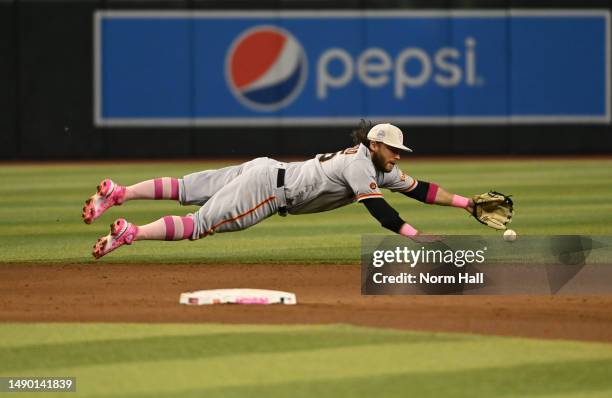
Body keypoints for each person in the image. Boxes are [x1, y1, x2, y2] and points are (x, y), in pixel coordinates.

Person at [83, 120, 477, 259]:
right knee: (200, 223)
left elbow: (421, 190)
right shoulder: (361, 166)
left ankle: (119, 193)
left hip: (267, 167)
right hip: (269, 192)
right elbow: (381, 212)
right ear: (375, 145)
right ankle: (131, 233)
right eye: (394, 150)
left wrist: (466, 204)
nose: (399, 157)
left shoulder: (377, 165)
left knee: (187, 187)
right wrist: (415, 235)